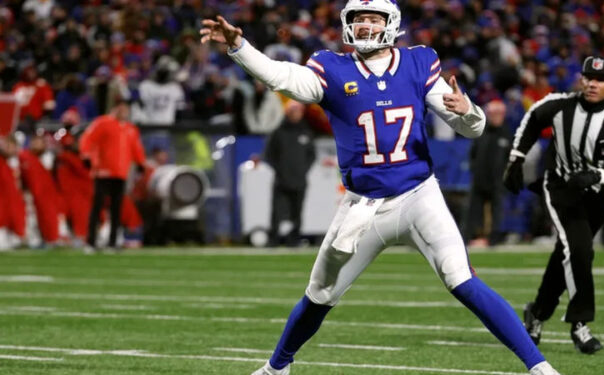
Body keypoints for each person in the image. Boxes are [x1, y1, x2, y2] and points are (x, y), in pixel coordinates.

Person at [200, 1, 560, 374]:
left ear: (391, 25)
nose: (366, 26)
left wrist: (469, 111)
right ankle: (277, 368)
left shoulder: (418, 63)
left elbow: (471, 128)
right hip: (363, 206)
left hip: (418, 194)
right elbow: (280, 77)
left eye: (373, 19)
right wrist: (239, 48)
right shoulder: (333, 68)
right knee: (321, 293)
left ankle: (540, 368)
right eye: (359, 19)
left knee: (460, 277)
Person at [503, 56, 604, 354]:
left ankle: (537, 314)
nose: (592, 83)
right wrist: (517, 158)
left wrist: (599, 175)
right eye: (588, 77)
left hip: (597, 195)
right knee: (580, 250)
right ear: (581, 80)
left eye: (600, 80)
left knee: (566, 254)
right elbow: (532, 119)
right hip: (561, 188)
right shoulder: (560, 105)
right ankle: (580, 324)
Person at [79, 99, 146, 251]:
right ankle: (91, 241)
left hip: (121, 172)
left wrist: (141, 163)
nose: (124, 112)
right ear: (114, 109)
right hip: (102, 171)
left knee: (117, 208)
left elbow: (136, 147)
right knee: (97, 206)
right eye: (121, 108)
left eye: (125, 109)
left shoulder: (130, 129)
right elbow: (87, 139)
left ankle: (112, 242)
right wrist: (86, 156)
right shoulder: (102, 123)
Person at [265, 100, 316, 247]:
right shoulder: (278, 132)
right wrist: (280, 170)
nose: (296, 114)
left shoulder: (306, 132)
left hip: (300, 180)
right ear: (287, 113)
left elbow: (311, 156)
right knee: (277, 212)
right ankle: (273, 239)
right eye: (293, 111)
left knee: (297, 212)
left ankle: (294, 239)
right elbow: (269, 155)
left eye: (298, 111)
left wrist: (302, 170)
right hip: (281, 179)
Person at [462, 99, 512, 246]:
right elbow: (473, 154)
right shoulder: (481, 133)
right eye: (493, 114)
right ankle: (467, 237)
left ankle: (494, 238)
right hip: (480, 178)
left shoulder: (507, 135)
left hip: (497, 180)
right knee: (473, 211)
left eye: (498, 114)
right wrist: (474, 169)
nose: (496, 117)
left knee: (497, 211)